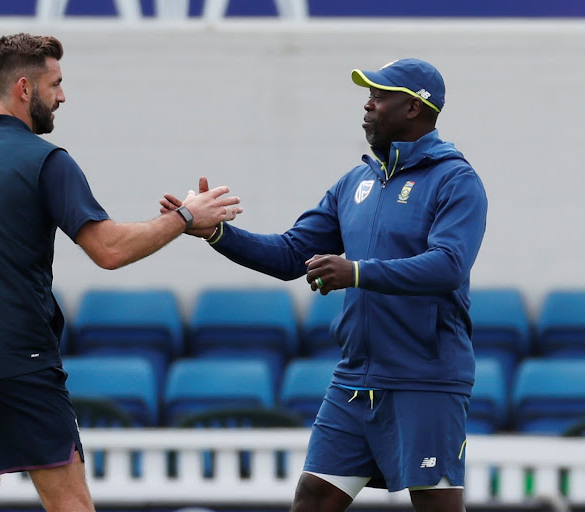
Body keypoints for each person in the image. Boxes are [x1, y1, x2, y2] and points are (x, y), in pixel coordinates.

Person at [0, 33, 241, 512]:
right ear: (25, 89)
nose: (63, 97)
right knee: (70, 505)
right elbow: (108, 251)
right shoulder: (48, 161)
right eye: (56, 85)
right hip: (17, 364)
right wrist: (186, 217)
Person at [162, 58, 487, 512]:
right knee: (313, 498)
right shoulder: (354, 182)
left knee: (436, 507)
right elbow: (290, 255)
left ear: (414, 108)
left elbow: (448, 265)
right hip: (355, 379)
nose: (368, 105)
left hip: (426, 379)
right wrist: (216, 232)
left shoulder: (456, 180)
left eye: (380, 95)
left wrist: (356, 272)